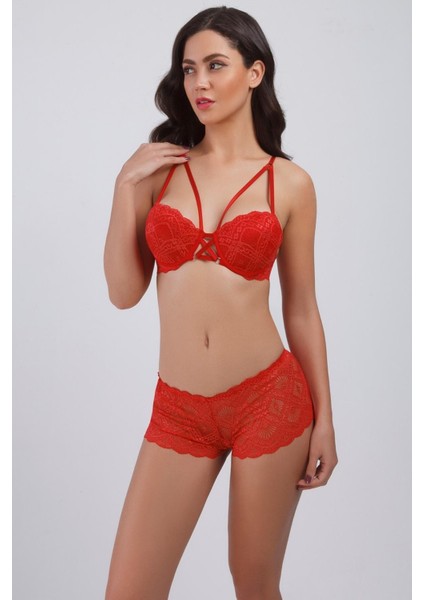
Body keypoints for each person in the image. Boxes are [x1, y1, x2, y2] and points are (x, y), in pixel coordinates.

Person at [103, 6, 338, 600]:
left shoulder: (290, 183)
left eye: (215, 65)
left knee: (253, 584)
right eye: (188, 69)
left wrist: (326, 421)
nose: (199, 83)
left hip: (269, 400)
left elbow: (302, 309)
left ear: (255, 73)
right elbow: (124, 294)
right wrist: (123, 187)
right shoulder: (158, 171)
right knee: (128, 591)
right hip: (179, 409)